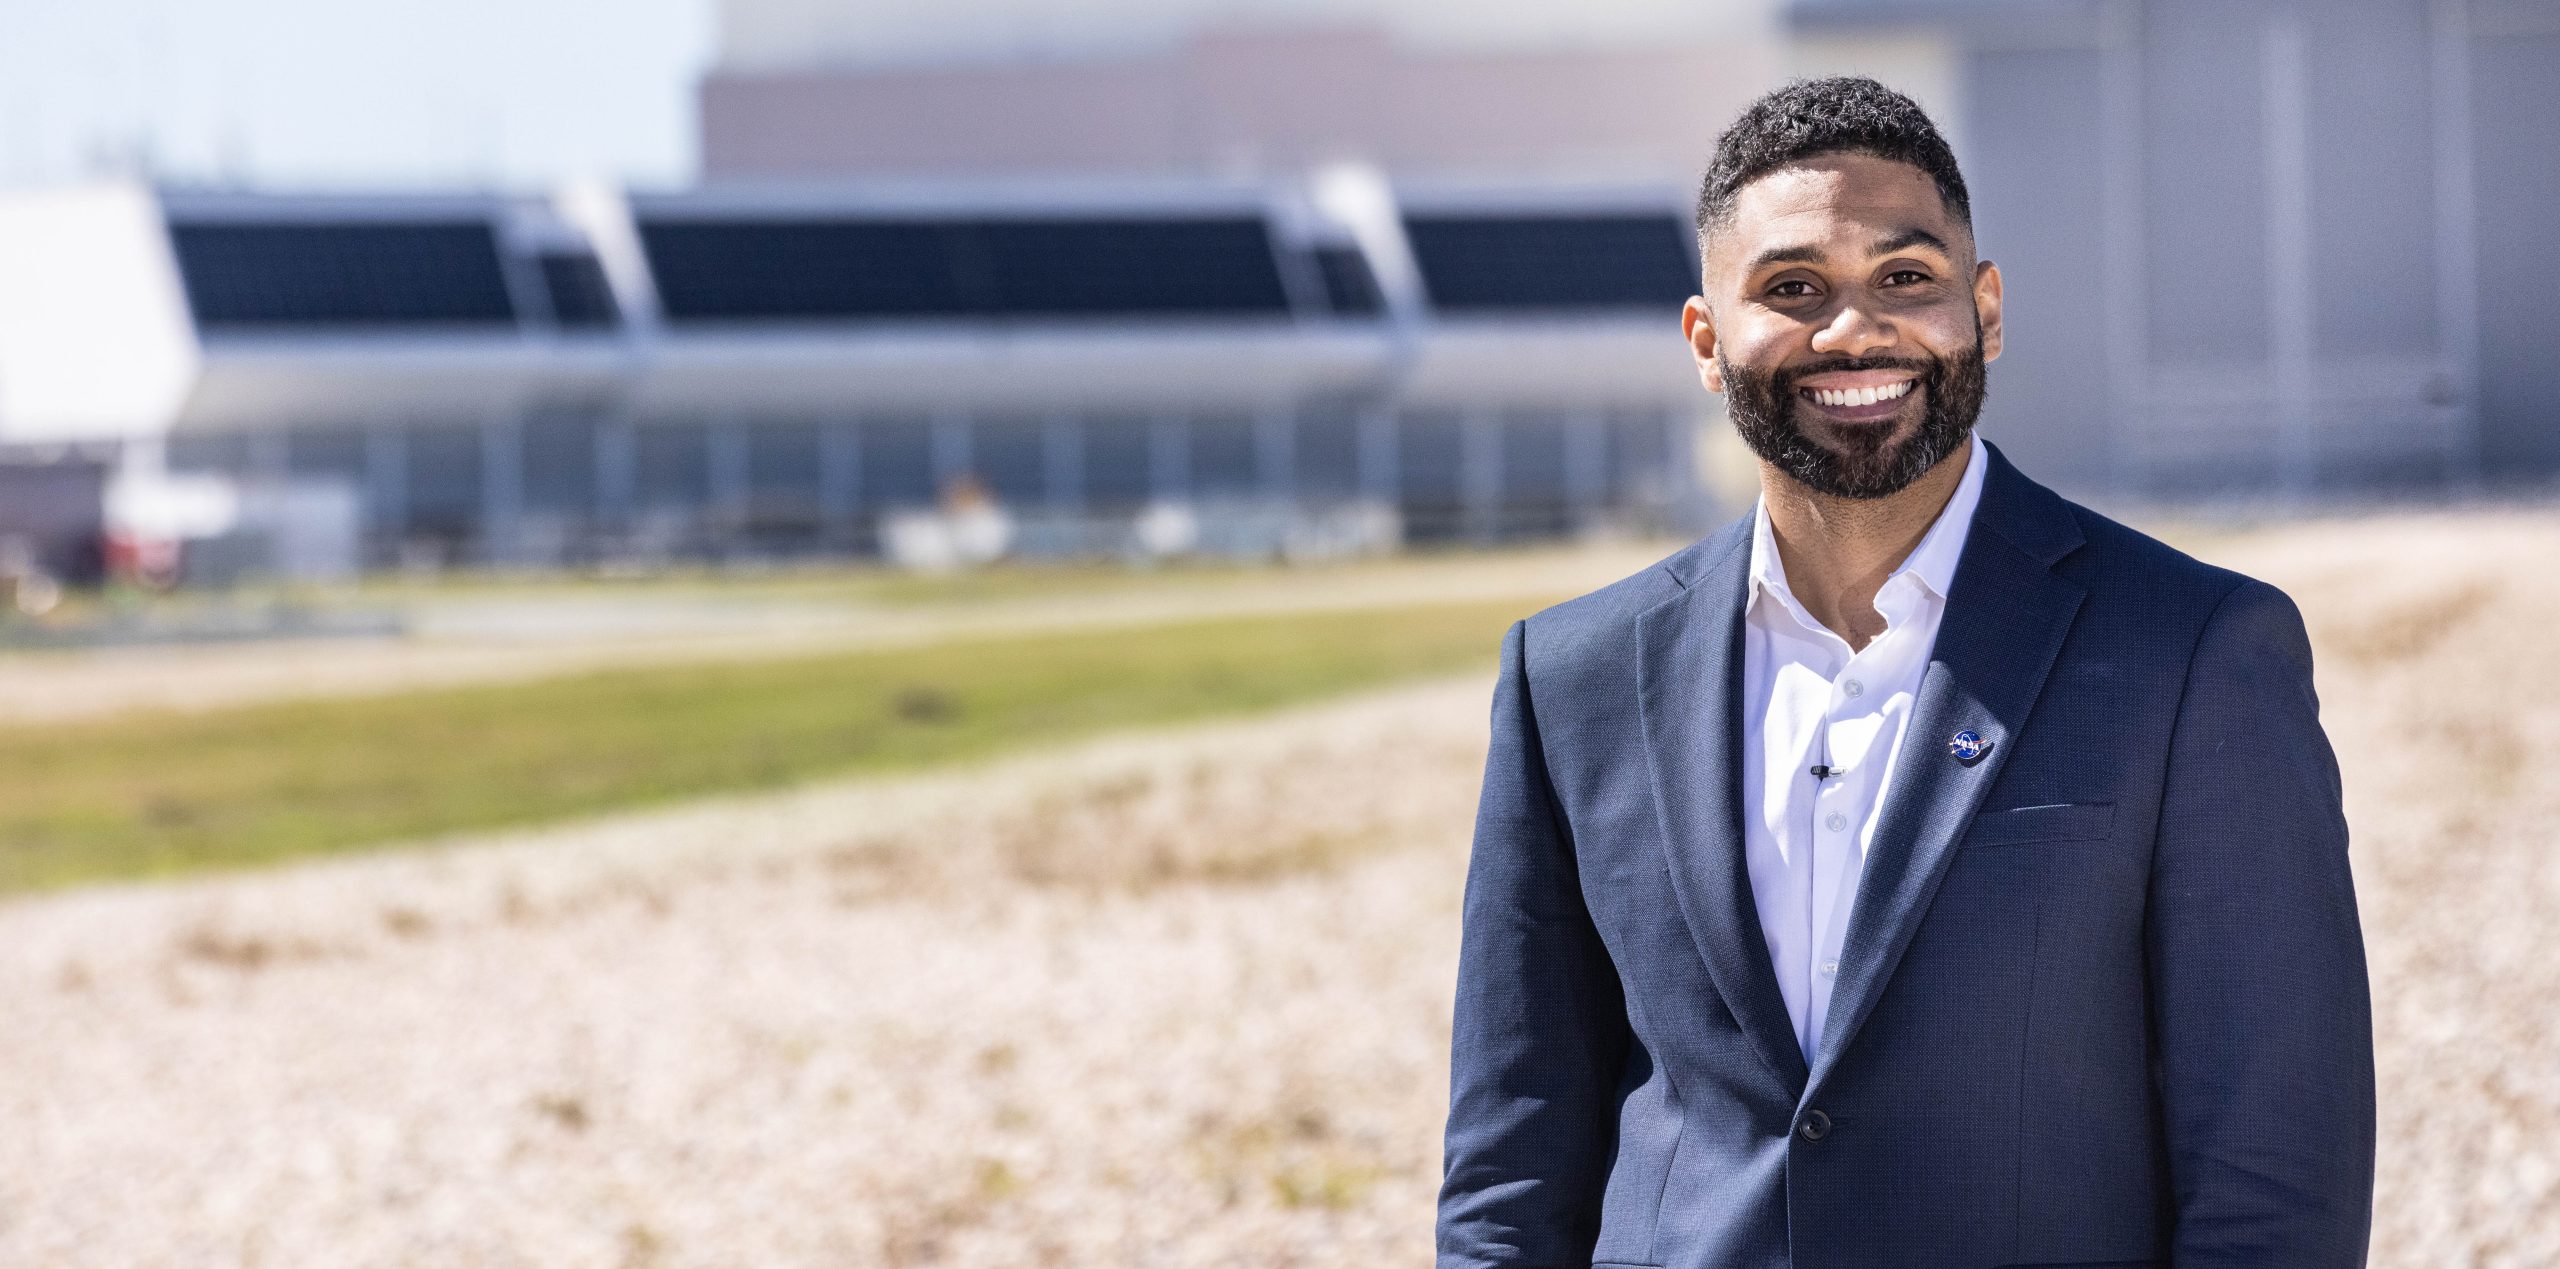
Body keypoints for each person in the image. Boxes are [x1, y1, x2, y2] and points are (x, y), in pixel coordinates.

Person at [1435, 77, 2374, 1268]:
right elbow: (1514, 1155)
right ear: (1707, 341)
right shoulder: (1569, 675)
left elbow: (2274, 1164)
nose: (1852, 332)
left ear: (1983, 308)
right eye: (1791, 290)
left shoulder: (2192, 650)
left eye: (1905, 278)